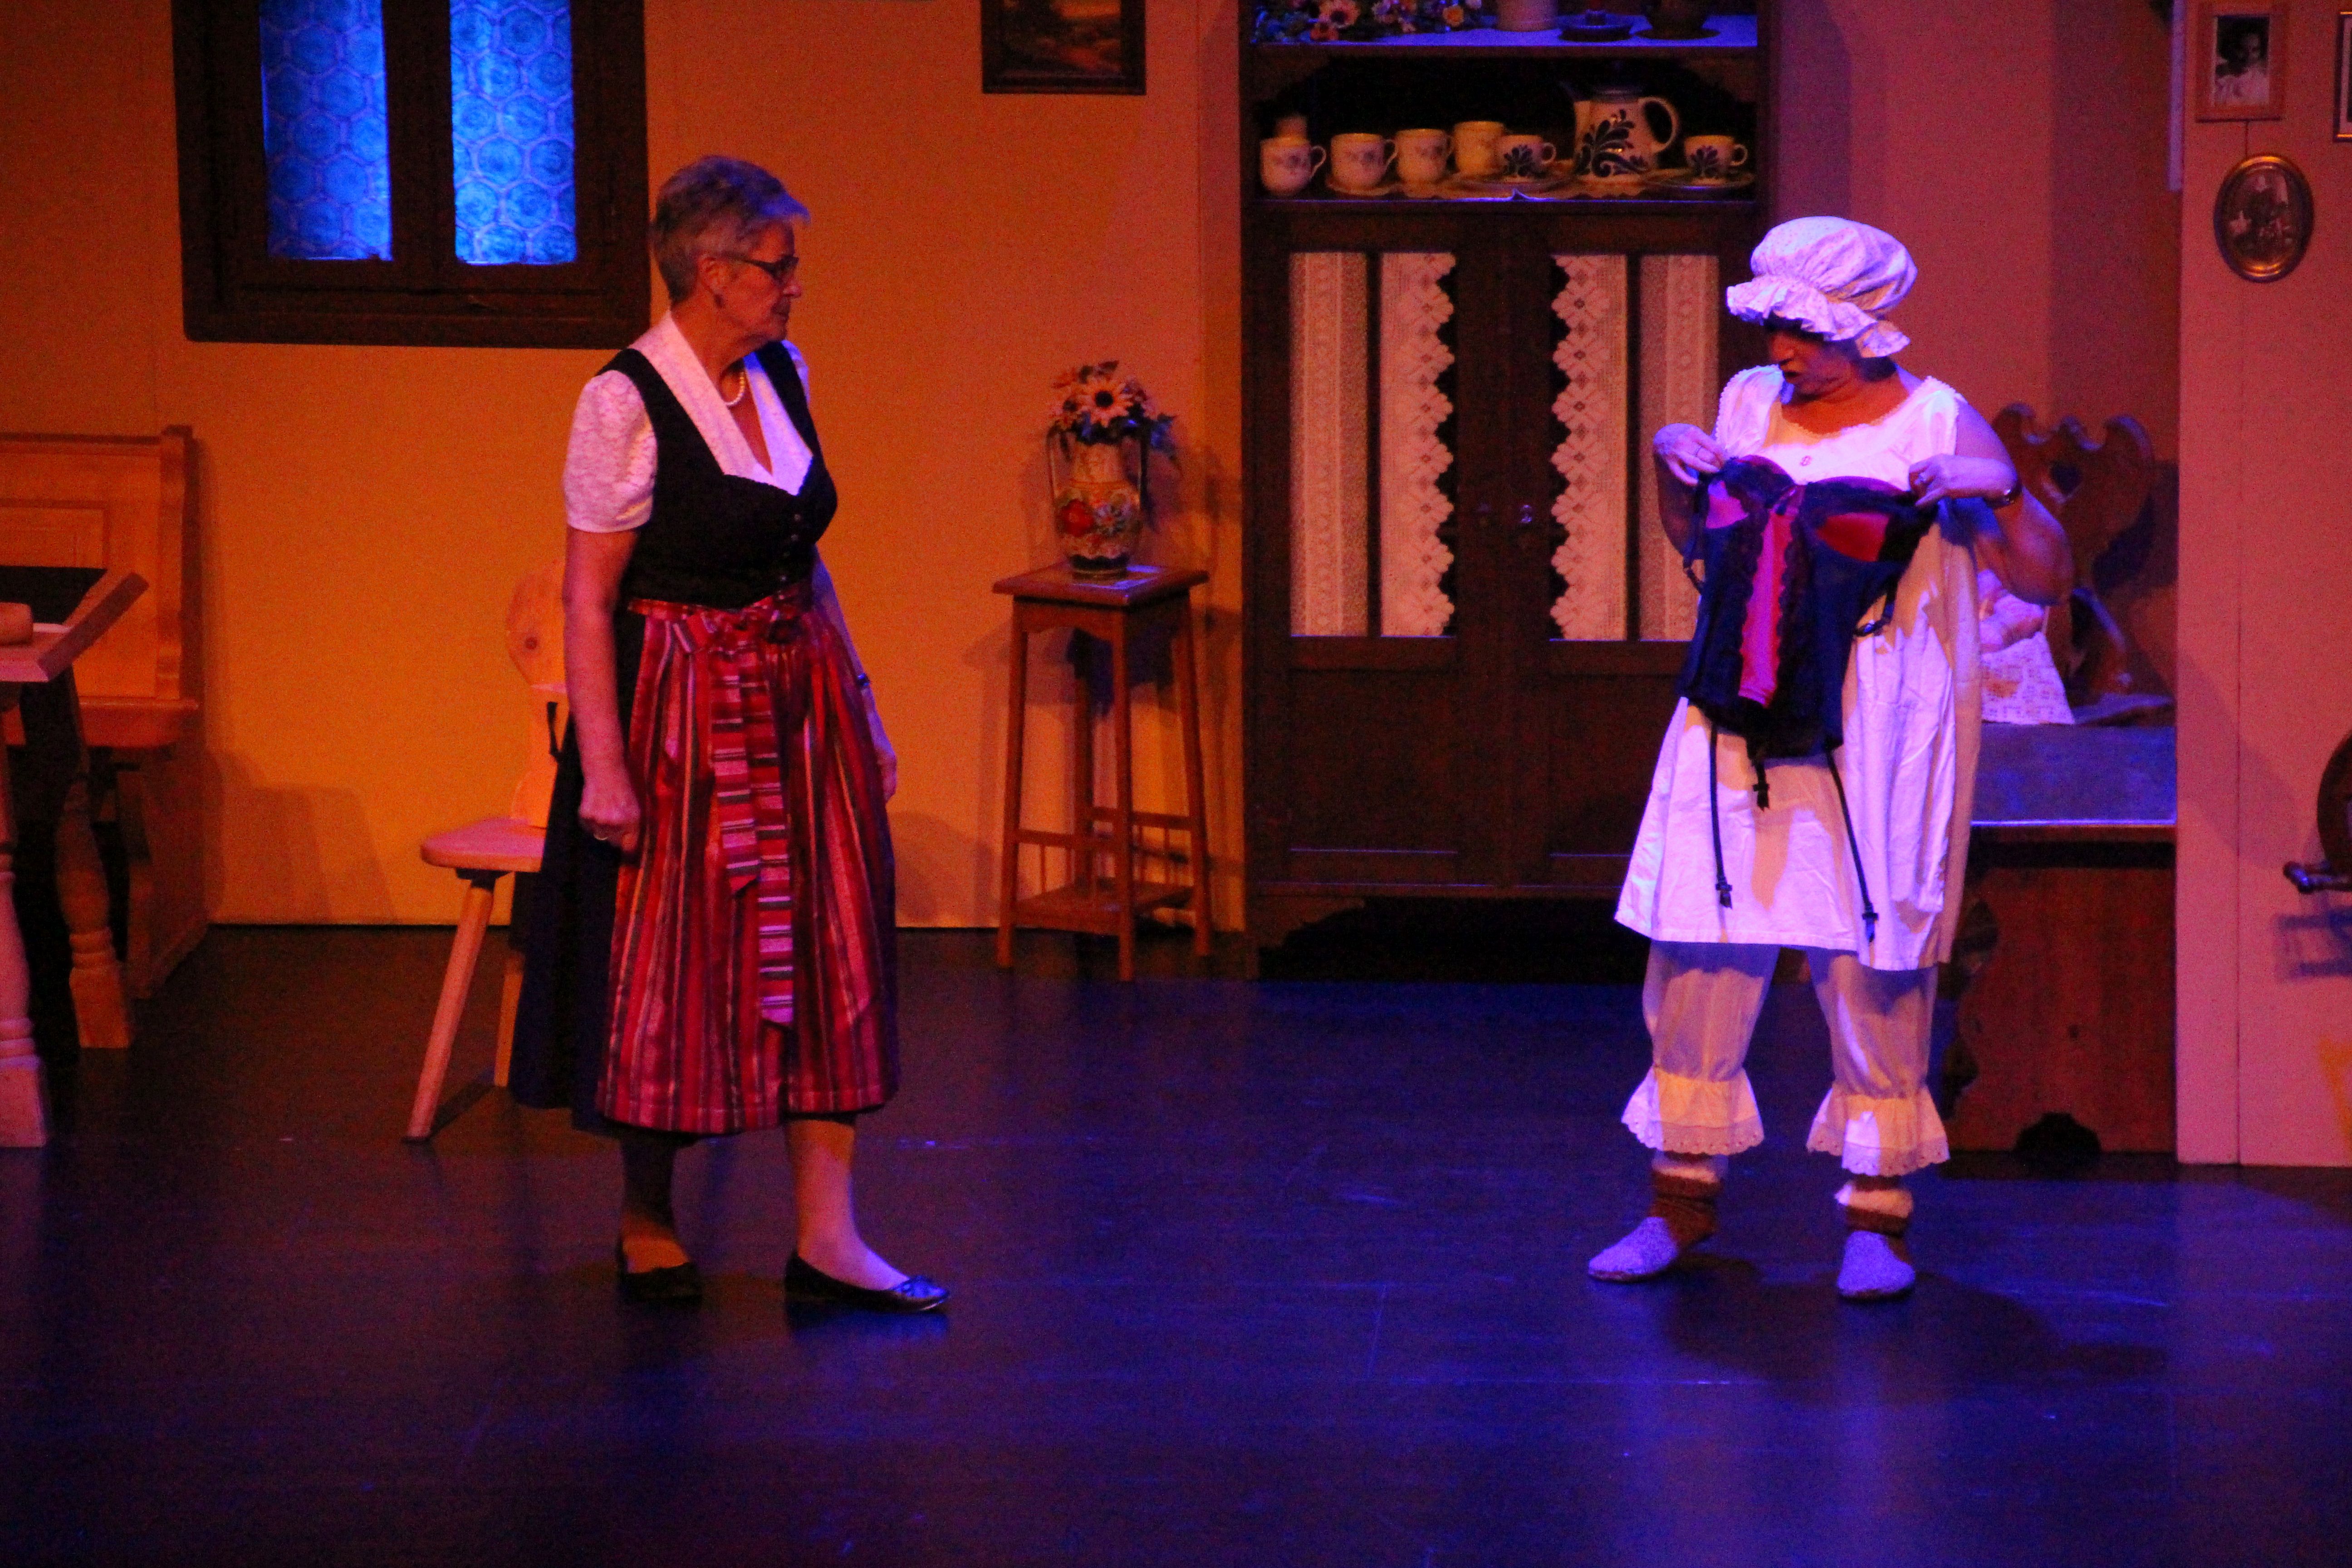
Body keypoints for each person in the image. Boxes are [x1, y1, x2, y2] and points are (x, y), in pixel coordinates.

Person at [1591, 217, 2072, 1301]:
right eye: (1774, 327)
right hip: (1746, 694)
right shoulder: (1748, 404)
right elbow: (1705, 552)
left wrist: (1998, 488)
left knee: (1873, 952)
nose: (1782, 350)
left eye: (1802, 330)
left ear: (1862, 325)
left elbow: (2045, 580)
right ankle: (1678, 1201)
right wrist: (1675, 475)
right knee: (1702, 942)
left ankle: (1876, 1215)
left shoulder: (1934, 417)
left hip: (1880, 715)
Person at [510, 156, 946, 1313]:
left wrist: (862, 699)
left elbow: (802, 557)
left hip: (799, 698)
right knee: (670, 963)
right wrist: (603, 767)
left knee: (832, 945)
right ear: (714, 272)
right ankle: (647, 1218)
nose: (794, 285)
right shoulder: (625, 400)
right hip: (679, 708)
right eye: (778, 265)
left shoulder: (784, 372)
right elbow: (590, 598)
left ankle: (828, 1236)